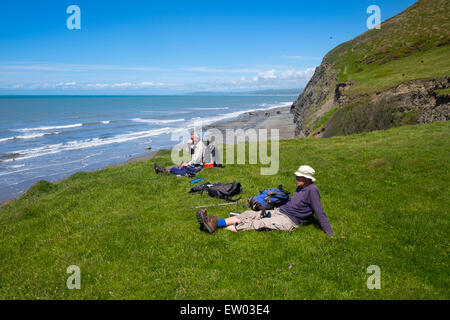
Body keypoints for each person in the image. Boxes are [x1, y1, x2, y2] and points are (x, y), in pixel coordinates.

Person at [196, 165, 334, 236]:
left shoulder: (312, 190)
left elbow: (320, 212)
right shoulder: (301, 187)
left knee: (259, 223)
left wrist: (330, 233)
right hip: (280, 212)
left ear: (308, 179)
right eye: (297, 176)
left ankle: (220, 228)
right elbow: (297, 204)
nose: (297, 178)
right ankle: (214, 222)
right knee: (249, 214)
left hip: (289, 221)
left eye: (300, 177)